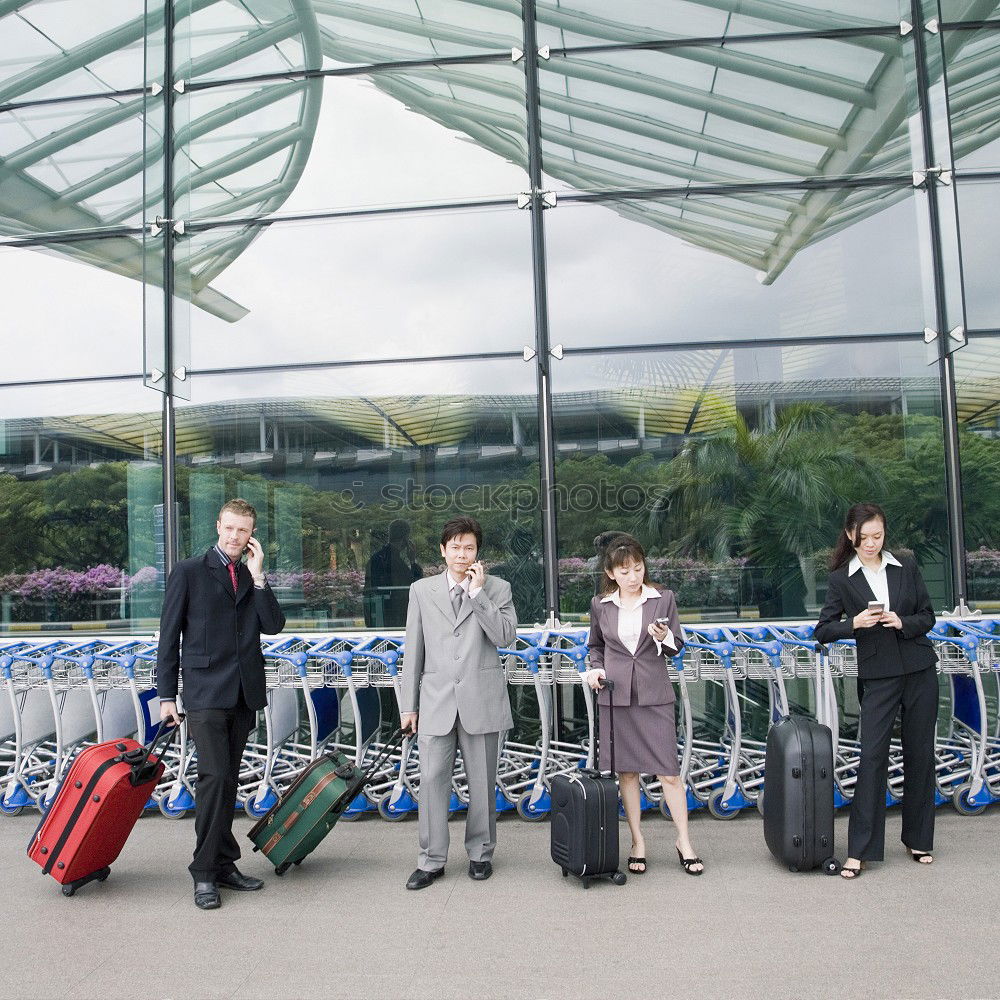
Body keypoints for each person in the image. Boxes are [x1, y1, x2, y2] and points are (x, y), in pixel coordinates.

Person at [157, 498, 286, 910]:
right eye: (229, 528)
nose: (235, 536)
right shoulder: (190, 572)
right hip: (205, 693)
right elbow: (168, 637)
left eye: (243, 530)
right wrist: (165, 696)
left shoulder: (250, 576)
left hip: (244, 692)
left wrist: (259, 575)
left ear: (252, 535)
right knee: (213, 778)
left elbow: (273, 626)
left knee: (229, 779)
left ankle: (225, 863)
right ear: (218, 527)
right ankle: (204, 872)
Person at [814, 502, 937, 880]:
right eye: (864, 537)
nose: (871, 544)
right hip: (878, 676)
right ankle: (861, 850)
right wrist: (855, 623)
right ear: (851, 535)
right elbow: (823, 630)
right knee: (872, 758)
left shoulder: (905, 565)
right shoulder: (841, 578)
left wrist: (902, 621)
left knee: (920, 754)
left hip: (919, 669)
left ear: (885, 534)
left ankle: (918, 839)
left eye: (877, 536)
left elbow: (928, 616)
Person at [400, 516, 516, 889]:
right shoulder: (421, 590)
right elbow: (413, 650)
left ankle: (481, 853)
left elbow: (504, 638)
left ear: (477, 551)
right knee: (432, 781)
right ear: (442, 550)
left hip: (480, 700)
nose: (462, 555)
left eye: (469, 548)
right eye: (455, 547)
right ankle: (431, 860)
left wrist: (478, 595)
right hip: (435, 701)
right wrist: (408, 706)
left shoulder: (497, 588)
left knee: (482, 782)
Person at [582, 535, 704, 876]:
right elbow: (595, 645)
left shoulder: (662, 599)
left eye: (638, 568)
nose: (634, 576)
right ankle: (637, 842)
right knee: (628, 773)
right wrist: (595, 669)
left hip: (654, 694)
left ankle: (684, 841)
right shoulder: (600, 605)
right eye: (625, 571)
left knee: (668, 772)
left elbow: (676, 646)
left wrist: (662, 636)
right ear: (610, 572)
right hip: (616, 695)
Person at [362, 519, 423, 628]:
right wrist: (413, 561)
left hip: (379, 616)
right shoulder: (393, 561)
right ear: (405, 539)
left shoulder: (379, 558)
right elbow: (416, 583)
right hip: (394, 617)